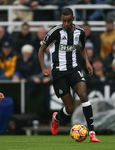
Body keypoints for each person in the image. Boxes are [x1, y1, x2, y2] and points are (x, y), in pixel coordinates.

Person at [38, 8, 99, 142]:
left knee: (83, 95)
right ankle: (56, 118)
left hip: (74, 69)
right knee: (70, 108)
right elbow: (41, 49)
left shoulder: (80, 32)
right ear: (61, 19)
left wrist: (87, 62)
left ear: (73, 19)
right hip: (59, 73)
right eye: (64, 20)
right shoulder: (55, 32)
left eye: (68, 21)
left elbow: (82, 47)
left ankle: (92, 133)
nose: (66, 23)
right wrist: (43, 68)